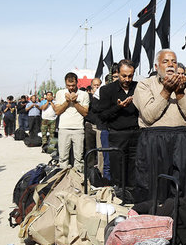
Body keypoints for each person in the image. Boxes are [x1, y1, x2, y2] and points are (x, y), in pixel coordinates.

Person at [133, 49, 186, 203]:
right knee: (153, 187)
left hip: (180, 139)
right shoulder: (145, 85)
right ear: (156, 67)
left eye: (174, 62)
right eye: (165, 61)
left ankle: (179, 221)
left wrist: (180, 93)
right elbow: (149, 116)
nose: (170, 65)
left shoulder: (183, 86)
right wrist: (166, 91)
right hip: (154, 140)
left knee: (181, 185)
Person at [95, 59, 140, 194]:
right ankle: (119, 195)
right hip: (117, 135)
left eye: (130, 76)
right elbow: (103, 116)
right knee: (117, 170)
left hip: (136, 135)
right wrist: (118, 107)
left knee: (134, 169)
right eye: (124, 76)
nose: (127, 79)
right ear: (117, 73)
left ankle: (132, 197)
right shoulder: (107, 90)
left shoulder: (138, 88)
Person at [54, 72, 89, 172]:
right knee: (63, 158)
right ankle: (63, 180)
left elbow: (85, 113)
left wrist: (74, 102)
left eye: (73, 85)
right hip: (64, 128)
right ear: (65, 84)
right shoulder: (60, 93)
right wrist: (67, 101)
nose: (71, 88)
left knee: (79, 158)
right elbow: (57, 111)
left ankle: (78, 180)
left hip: (78, 129)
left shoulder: (84, 94)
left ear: (77, 83)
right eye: (68, 86)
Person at [84, 77, 102, 169]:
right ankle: (90, 168)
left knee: (100, 150)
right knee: (89, 147)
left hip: (100, 126)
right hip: (89, 125)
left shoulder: (103, 97)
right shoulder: (88, 98)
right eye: (95, 86)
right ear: (91, 88)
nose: (96, 87)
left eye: (98, 85)